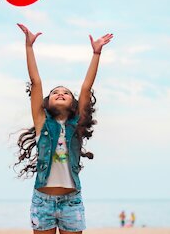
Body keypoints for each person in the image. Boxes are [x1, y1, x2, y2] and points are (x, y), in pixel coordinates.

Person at [13, 23, 113, 234]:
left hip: (71, 201)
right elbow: (36, 82)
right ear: (47, 103)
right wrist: (29, 47)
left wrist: (96, 53)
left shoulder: (76, 126)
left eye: (66, 93)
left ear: (74, 104)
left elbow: (86, 87)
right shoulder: (42, 123)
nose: (60, 93)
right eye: (55, 92)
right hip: (42, 201)